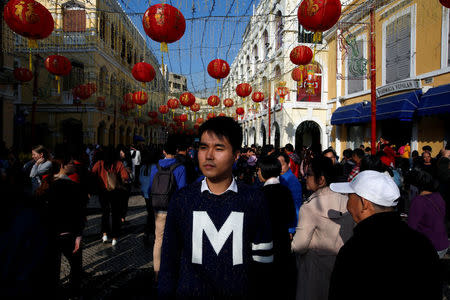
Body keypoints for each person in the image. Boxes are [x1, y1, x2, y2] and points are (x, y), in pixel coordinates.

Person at [158, 117, 273, 298]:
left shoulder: (254, 199)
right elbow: (169, 262)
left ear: (236, 155)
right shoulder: (182, 200)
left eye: (219, 148)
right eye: (203, 147)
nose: (209, 155)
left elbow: (264, 263)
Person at [329, 170, 442, 300]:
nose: (347, 204)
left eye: (349, 197)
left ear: (364, 203)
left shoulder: (354, 251)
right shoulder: (422, 243)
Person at [291, 157, 354, 300]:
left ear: (321, 180)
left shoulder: (310, 207)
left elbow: (300, 245)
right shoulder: (346, 201)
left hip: (315, 271)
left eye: (309, 174)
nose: (305, 177)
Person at [37, 156, 88, 298]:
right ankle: (74, 293)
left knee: (53, 268)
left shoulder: (46, 186)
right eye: (71, 163)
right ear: (62, 167)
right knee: (76, 267)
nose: (74, 165)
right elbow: (79, 212)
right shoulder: (72, 186)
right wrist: (79, 234)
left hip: (51, 233)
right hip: (69, 233)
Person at [257, 155, 296, 299]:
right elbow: (291, 217)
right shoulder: (285, 191)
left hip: (265, 244)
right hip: (283, 241)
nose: (257, 173)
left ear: (263, 171)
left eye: (259, 170)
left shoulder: (260, 194)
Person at [148, 137, 186, 281]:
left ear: (163, 151)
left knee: (159, 240)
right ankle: (172, 271)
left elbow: (151, 187)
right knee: (175, 240)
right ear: (176, 151)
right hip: (173, 209)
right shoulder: (180, 168)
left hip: (158, 208)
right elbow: (182, 190)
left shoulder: (155, 167)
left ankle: (157, 273)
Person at [92, 146, 129, 246]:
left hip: (102, 192)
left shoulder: (99, 163)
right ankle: (114, 237)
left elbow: (92, 175)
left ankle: (104, 234)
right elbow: (125, 176)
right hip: (115, 192)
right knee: (115, 214)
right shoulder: (118, 164)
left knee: (105, 212)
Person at [407, 169, 449, 258]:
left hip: (430, 246)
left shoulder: (418, 201)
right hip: (443, 243)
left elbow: (411, 228)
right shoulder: (438, 196)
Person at [278, 152, 303, 235]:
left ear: (288, 164)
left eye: (281, 165)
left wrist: (291, 229)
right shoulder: (279, 178)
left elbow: (295, 206)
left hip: (287, 228)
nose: (279, 168)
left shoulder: (292, 181)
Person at [139, 148, 160, 246]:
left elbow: (140, 179)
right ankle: (151, 233)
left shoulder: (143, 167)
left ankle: (147, 233)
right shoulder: (156, 167)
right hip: (154, 193)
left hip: (145, 193)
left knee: (150, 213)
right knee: (153, 214)